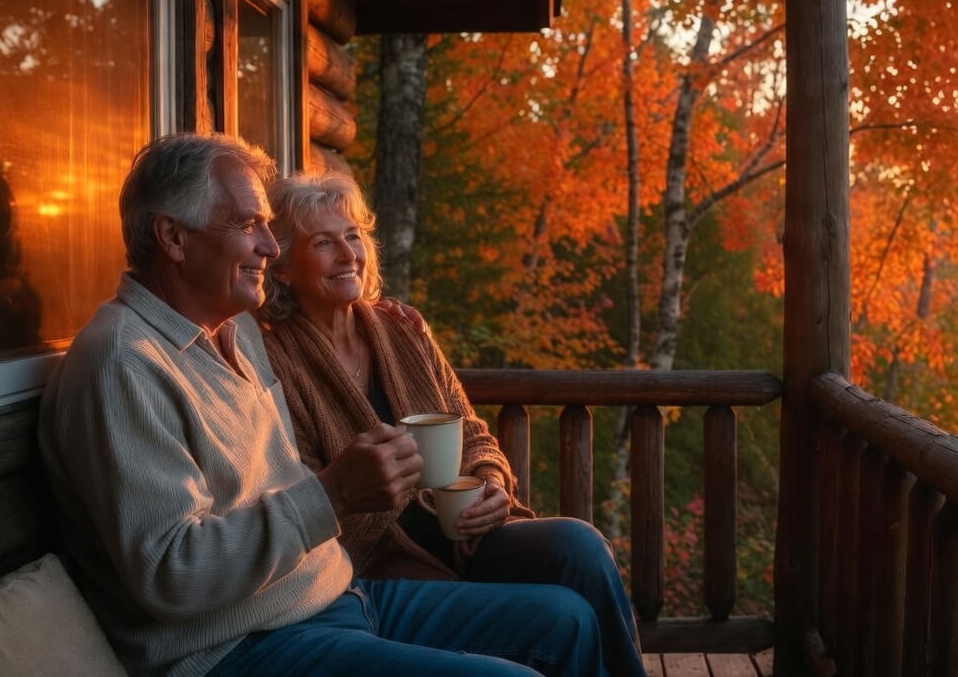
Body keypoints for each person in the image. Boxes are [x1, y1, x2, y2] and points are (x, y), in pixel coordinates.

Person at [37, 133, 605, 677]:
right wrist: (334, 493)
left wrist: (483, 476)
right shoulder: (124, 364)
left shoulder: (234, 334)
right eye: (247, 225)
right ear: (173, 237)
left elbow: (463, 429)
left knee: (569, 620)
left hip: (332, 597)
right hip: (238, 648)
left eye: (268, 226)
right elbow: (171, 572)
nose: (267, 244)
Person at [256, 171, 647, 677]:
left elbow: (475, 434)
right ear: (283, 267)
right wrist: (393, 486)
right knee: (564, 612)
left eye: (353, 236)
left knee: (581, 545)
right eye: (324, 243)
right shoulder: (275, 360)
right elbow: (310, 499)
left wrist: (490, 485)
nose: (348, 254)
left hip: (468, 537)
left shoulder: (402, 329)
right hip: (382, 568)